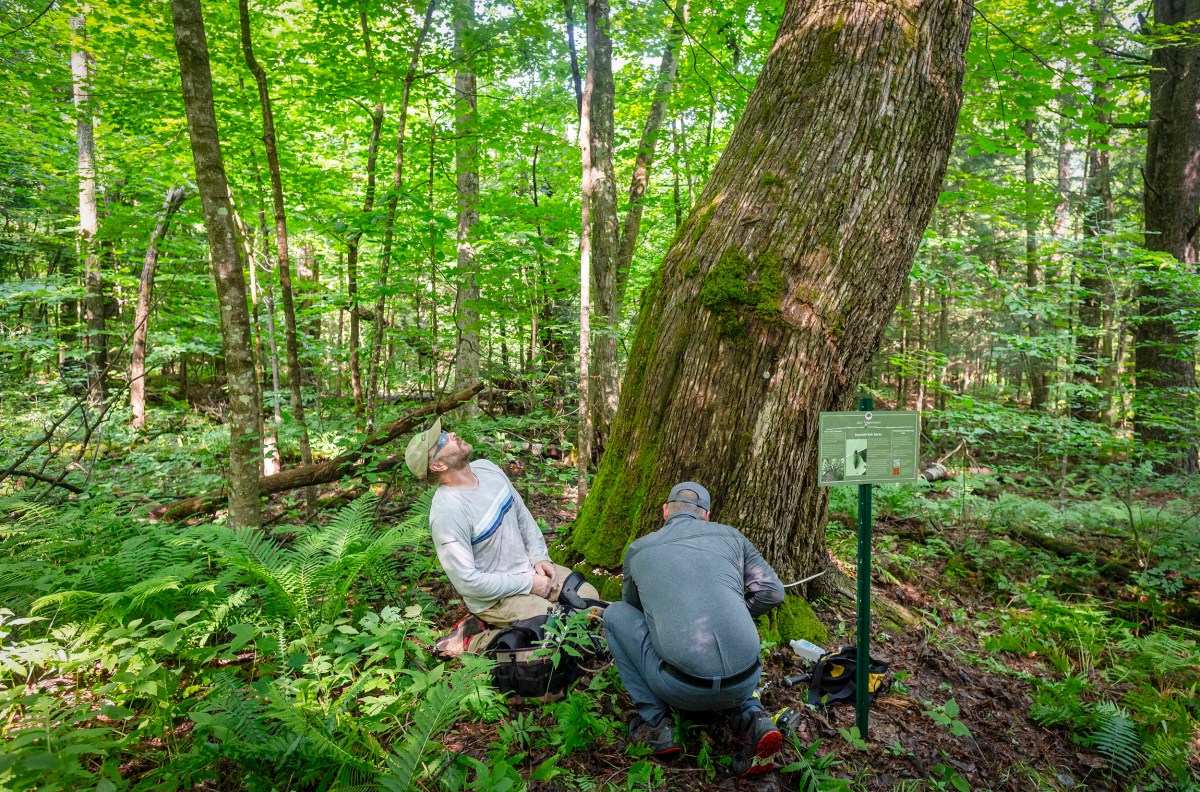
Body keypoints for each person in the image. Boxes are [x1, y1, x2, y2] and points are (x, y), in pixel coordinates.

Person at [603, 482, 786, 776]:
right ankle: (752, 717)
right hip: (747, 678)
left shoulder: (639, 549)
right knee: (733, 658)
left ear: (665, 512)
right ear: (706, 516)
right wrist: (741, 610)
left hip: (681, 687)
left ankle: (657, 725)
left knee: (614, 615)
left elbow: (633, 611)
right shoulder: (732, 537)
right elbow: (773, 592)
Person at [404, 418, 599, 656]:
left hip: (528, 570)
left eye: (445, 431)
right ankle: (471, 640)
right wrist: (529, 583)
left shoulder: (487, 468)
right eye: (443, 440)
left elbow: (521, 514)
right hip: (495, 597)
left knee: (589, 601)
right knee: (552, 631)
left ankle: (503, 624)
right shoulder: (448, 512)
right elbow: (468, 582)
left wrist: (540, 557)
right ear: (437, 466)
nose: (452, 434)